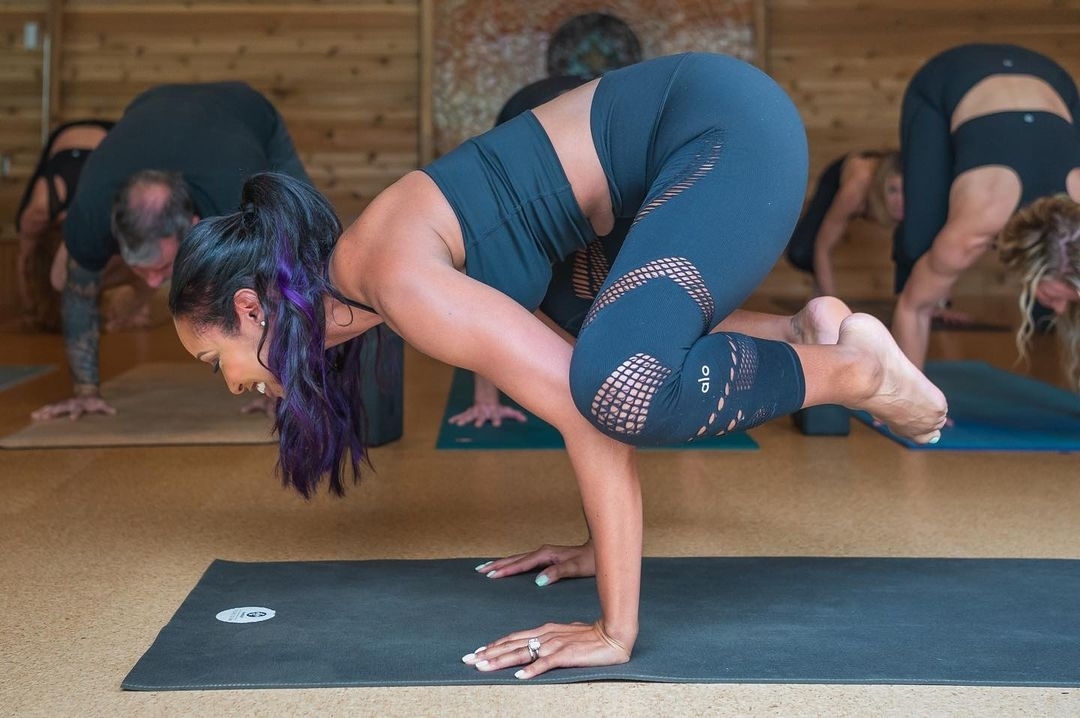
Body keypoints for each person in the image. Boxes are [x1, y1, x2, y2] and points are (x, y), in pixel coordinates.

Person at [170, 53, 948, 678]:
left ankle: (858, 374)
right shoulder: (372, 272)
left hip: (723, 132)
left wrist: (615, 628)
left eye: (215, 362)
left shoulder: (396, 281)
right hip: (686, 143)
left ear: (248, 311)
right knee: (586, 329)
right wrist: (592, 546)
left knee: (624, 390)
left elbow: (591, 412)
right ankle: (806, 330)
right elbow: (569, 356)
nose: (235, 381)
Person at [30, 81, 311, 421]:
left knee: (306, 235)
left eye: (161, 267)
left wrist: (276, 383)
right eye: (141, 269)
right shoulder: (91, 208)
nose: (153, 283)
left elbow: (280, 278)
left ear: (194, 224)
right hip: (150, 104)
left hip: (246, 112)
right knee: (68, 274)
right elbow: (77, 295)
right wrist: (85, 391)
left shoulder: (236, 196)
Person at [891, 43, 1080, 390]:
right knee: (920, 245)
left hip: (1053, 81)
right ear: (1028, 263)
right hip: (951, 76)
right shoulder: (976, 225)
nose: (1061, 308)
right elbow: (912, 308)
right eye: (1055, 296)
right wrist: (909, 399)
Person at [14, 119, 113, 331]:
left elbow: (24, 261)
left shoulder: (38, 214)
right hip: (103, 136)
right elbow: (24, 262)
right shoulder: (39, 215)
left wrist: (30, 310)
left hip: (77, 136)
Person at [784, 150, 903, 297]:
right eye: (893, 190)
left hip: (875, 176)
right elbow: (823, 247)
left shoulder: (916, 197)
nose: (900, 202)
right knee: (801, 252)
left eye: (905, 192)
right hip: (841, 175)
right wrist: (834, 304)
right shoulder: (857, 189)